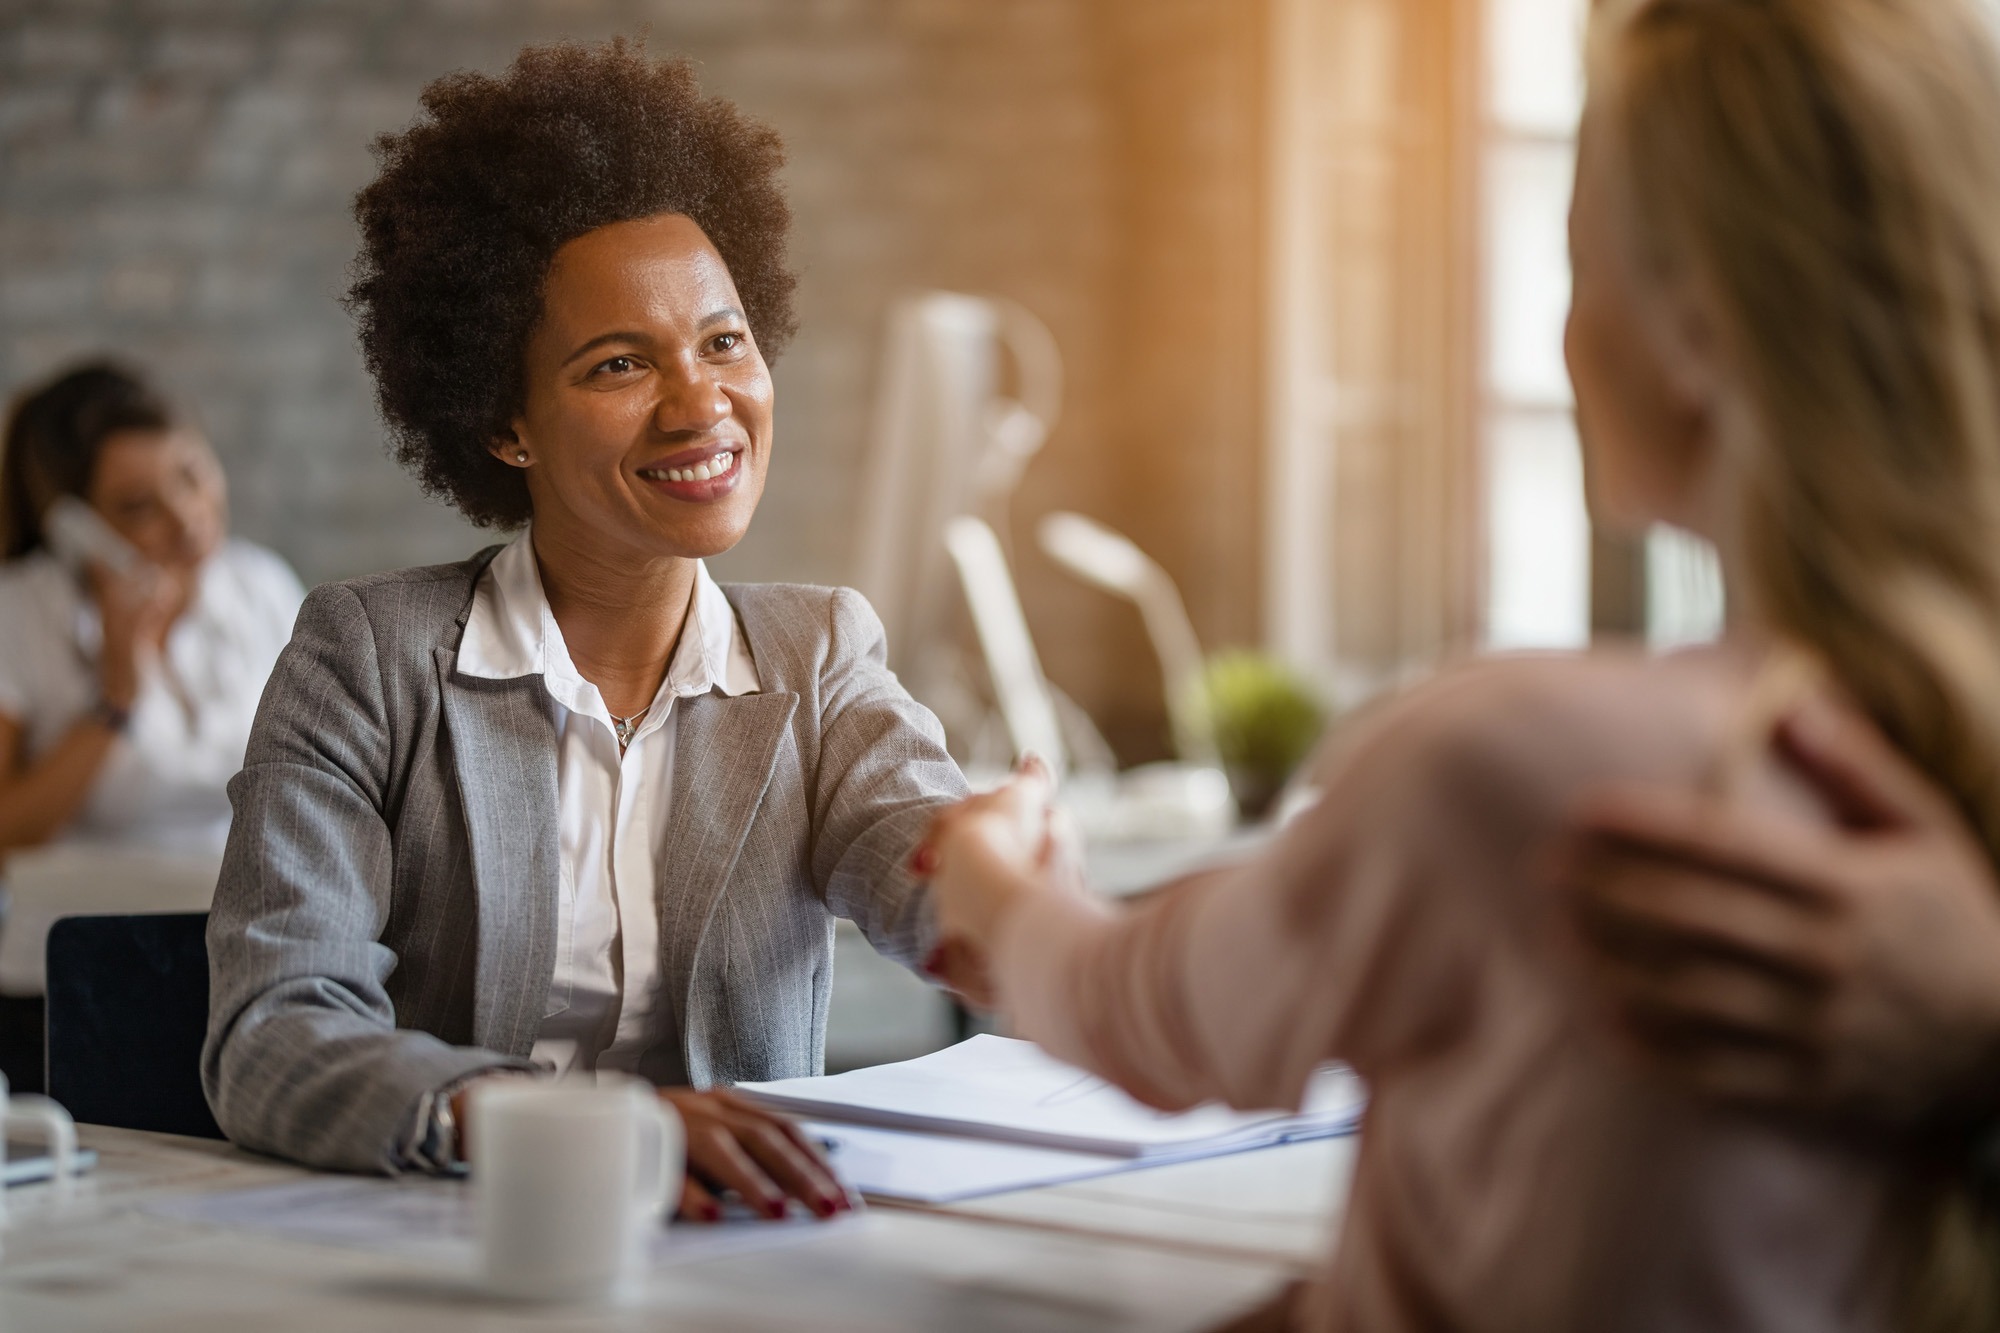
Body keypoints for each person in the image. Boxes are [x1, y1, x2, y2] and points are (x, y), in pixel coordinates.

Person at [918, 0, 2000, 1327]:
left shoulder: (1531, 766)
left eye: (1575, 262)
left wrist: (994, 883)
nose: (1561, 330)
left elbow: (1142, 1009)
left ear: (1700, 329)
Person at [200, 40, 968, 1223]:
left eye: (723, 341)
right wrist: (584, 1130)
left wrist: (1006, 885)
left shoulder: (817, 657)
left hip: (746, 1266)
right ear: (505, 422)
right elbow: (271, 1034)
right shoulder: (367, 656)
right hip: (463, 1253)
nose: (700, 401)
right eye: (621, 362)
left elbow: (932, 874)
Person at [0, 361, 304, 1090]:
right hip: (69, 986)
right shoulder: (19, 613)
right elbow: (8, 825)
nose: (187, 516)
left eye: (193, 475)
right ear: (73, 525)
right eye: (137, 505)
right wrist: (115, 694)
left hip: (242, 967)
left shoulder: (260, 587)